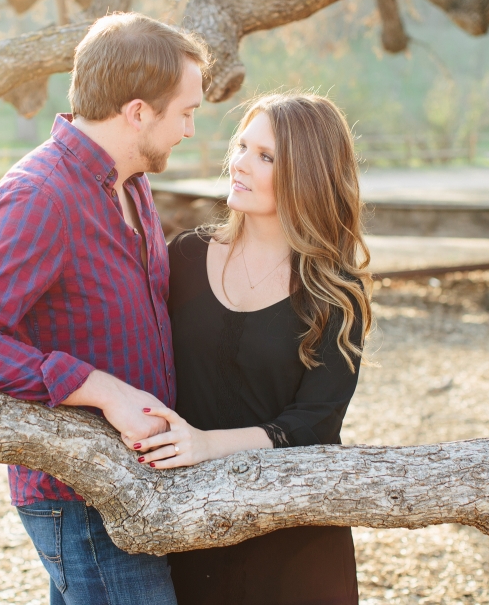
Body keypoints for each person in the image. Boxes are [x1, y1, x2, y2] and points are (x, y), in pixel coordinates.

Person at [0, 12, 209, 605]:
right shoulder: (40, 196)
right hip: (76, 495)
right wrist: (101, 388)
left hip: (132, 480)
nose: (188, 129)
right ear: (137, 111)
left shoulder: (130, 183)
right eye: (185, 112)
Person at [133, 92, 373, 605]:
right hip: (189, 518)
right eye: (242, 145)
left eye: (265, 156)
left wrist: (205, 444)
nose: (239, 163)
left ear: (307, 174)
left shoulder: (335, 291)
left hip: (294, 536)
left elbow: (315, 422)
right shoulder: (187, 256)